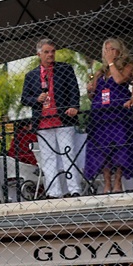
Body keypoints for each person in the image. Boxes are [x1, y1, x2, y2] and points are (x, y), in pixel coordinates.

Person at [21, 37, 84, 197]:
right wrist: (36, 99)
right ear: (39, 54)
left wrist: (74, 106)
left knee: (68, 154)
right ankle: (54, 192)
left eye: (52, 51)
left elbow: (74, 90)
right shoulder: (31, 75)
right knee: (48, 158)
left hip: (63, 119)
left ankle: (74, 189)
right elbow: (24, 99)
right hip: (43, 122)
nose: (50, 55)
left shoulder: (65, 69)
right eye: (46, 52)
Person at [82, 38, 133, 194]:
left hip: (118, 113)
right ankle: (107, 183)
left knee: (119, 146)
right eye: (106, 49)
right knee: (102, 148)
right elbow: (93, 95)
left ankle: (117, 183)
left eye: (112, 49)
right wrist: (90, 89)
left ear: (119, 51)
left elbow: (119, 79)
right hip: (100, 115)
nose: (108, 52)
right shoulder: (100, 72)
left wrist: (111, 63)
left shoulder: (127, 66)